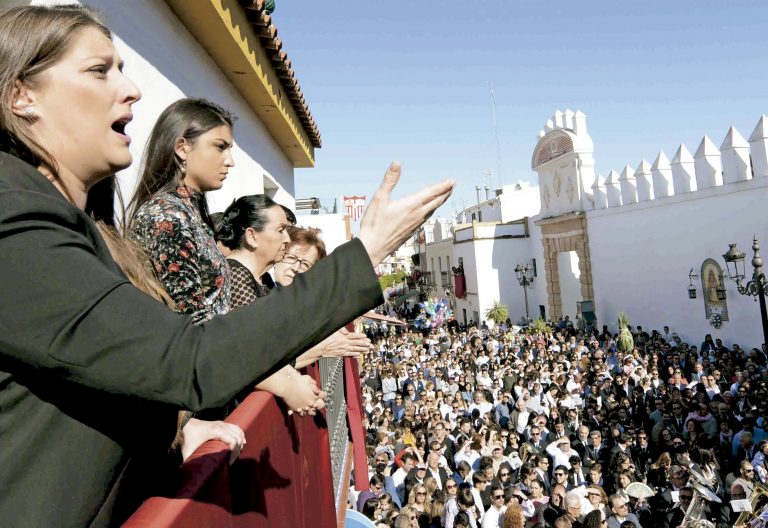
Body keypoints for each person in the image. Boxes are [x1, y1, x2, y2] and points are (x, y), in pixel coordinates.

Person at [0, 5, 454, 525]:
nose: (131, 89)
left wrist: (173, 431)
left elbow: (101, 370)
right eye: (99, 70)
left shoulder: (78, 221)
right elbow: (186, 355)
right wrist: (363, 255)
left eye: (122, 68)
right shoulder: (14, 216)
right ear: (21, 96)